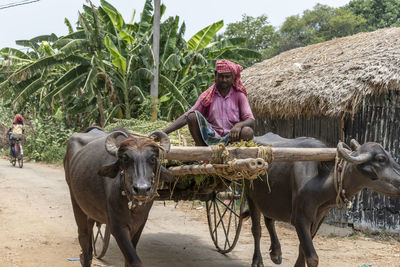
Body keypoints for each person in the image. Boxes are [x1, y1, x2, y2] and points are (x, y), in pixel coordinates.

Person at [163, 59, 255, 146]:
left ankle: (234, 153)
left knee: (247, 131)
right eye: (221, 76)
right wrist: (164, 132)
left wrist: (239, 125)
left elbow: (250, 119)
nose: (224, 80)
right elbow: (186, 116)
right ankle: (201, 148)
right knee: (192, 116)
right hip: (210, 137)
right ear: (215, 75)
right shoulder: (207, 96)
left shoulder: (239, 95)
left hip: (231, 137)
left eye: (227, 77)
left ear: (232, 78)